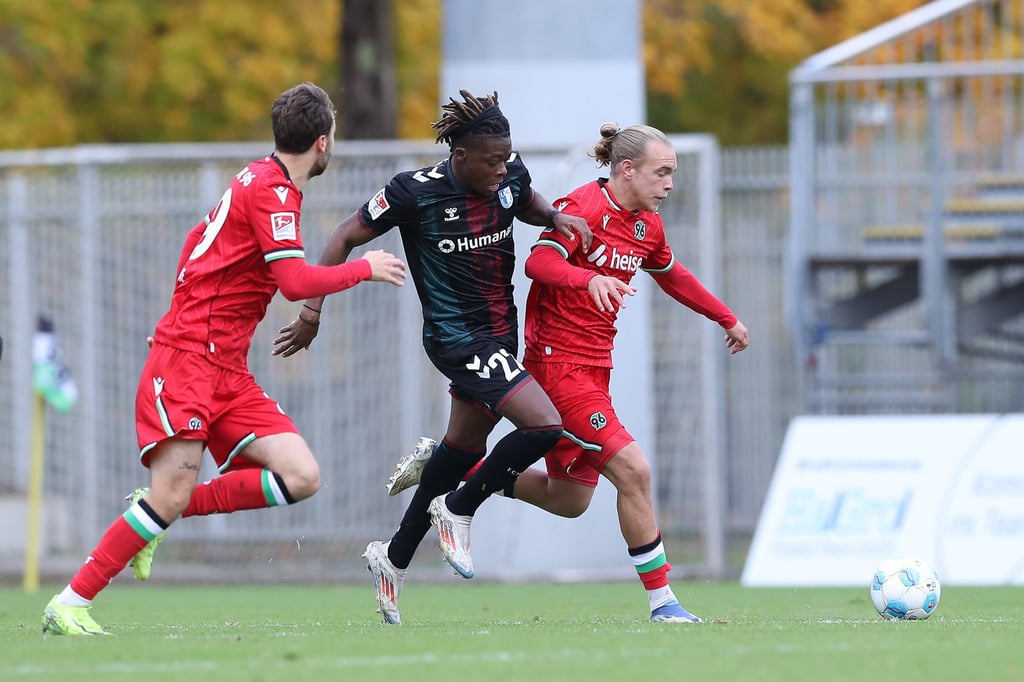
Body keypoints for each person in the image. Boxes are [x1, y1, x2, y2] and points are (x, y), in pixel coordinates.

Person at [41, 82, 407, 636]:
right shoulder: (273, 192)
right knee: (170, 492)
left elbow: (195, 243)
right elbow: (293, 282)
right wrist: (365, 267)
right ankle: (70, 601)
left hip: (224, 367)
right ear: (324, 144)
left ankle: (160, 514)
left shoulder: (256, 177)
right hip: (189, 361)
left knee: (301, 475)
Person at [389, 123, 750, 624]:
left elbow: (673, 275)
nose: (669, 184)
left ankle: (447, 469)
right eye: (661, 173)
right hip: (558, 365)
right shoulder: (584, 206)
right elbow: (539, 263)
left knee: (570, 499)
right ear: (628, 169)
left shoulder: (647, 224)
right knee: (635, 472)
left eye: (672, 174)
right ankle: (663, 603)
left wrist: (725, 316)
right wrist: (590, 278)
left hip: (594, 369)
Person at [272, 90, 592, 625]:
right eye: (491, 160)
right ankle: (460, 508)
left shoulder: (508, 174)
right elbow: (344, 235)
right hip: (456, 339)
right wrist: (311, 314)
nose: (501, 168)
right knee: (545, 426)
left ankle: (392, 560)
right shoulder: (413, 192)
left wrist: (555, 218)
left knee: (460, 450)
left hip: (500, 337)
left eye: (506, 157)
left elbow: (526, 198)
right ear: (460, 155)